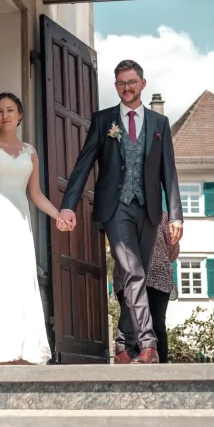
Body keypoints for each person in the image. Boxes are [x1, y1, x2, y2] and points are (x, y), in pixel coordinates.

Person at [58, 60, 183, 365]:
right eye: (120, 83)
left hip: (150, 209)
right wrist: (68, 204)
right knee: (134, 270)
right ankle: (148, 344)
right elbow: (84, 164)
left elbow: (169, 171)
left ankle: (121, 342)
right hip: (115, 208)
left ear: (142, 83)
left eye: (131, 82)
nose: (126, 88)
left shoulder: (159, 124)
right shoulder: (104, 121)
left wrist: (176, 215)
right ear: (115, 86)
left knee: (132, 276)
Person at [0, 92, 66, 365]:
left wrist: (58, 215)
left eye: (10, 110)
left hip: (18, 222)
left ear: (20, 115)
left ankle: (17, 349)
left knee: (16, 282)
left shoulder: (30, 152)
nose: (5, 115)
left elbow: (36, 194)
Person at [113, 211, 180, 363]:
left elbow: (173, 248)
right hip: (145, 274)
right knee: (154, 325)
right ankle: (154, 367)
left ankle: (146, 367)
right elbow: (173, 250)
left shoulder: (119, 213)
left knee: (135, 322)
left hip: (149, 276)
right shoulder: (160, 215)